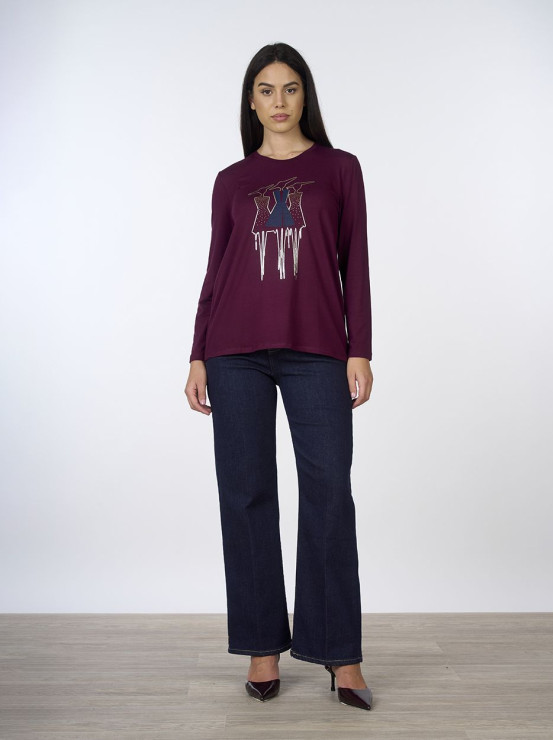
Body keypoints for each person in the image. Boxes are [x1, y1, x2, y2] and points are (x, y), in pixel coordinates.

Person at [184, 42, 374, 711]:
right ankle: (262, 647)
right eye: (266, 90)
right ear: (251, 101)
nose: (279, 101)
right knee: (245, 495)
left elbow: (356, 263)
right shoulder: (231, 181)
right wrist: (198, 352)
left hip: (317, 349)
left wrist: (359, 348)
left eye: (290, 88)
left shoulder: (339, 169)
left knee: (329, 493)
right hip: (233, 351)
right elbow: (216, 268)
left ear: (305, 96)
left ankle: (341, 654)